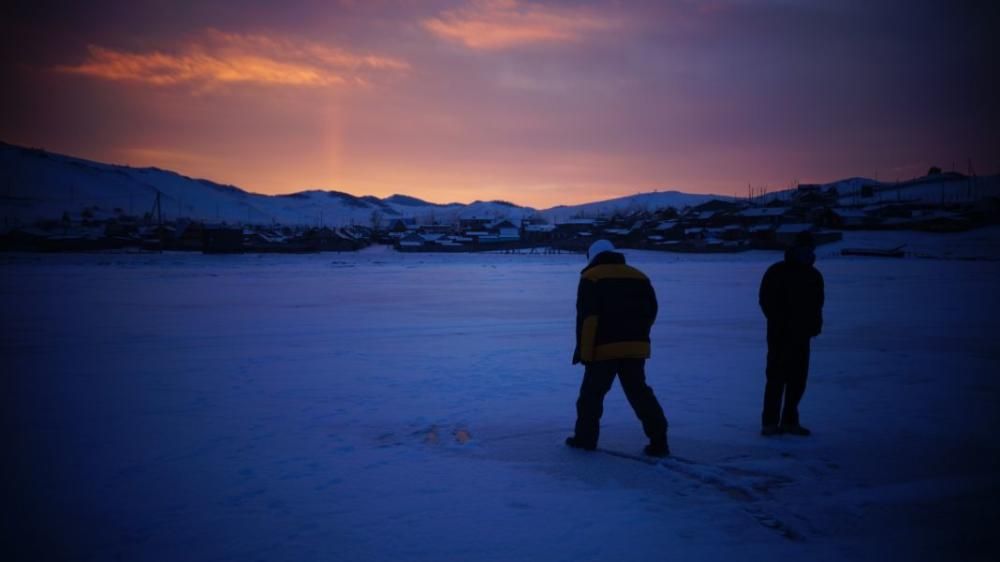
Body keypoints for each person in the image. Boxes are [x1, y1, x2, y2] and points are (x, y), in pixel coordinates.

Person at [565, 239, 669, 457]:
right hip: (635, 347)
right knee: (640, 394)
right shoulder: (640, 276)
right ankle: (659, 440)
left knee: (591, 397)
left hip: (603, 350)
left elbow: (588, 319)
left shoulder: (591, 277)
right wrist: (639, 336)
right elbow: (651, 312)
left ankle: (585, 439)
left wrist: (585, 353)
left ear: (592, 257)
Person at [758, 232, 825, 436]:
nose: (807, 253)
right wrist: (781, 321)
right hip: (779, 335)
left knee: (798, 380)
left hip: (802, 336)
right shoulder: (777, 271)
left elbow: (817, 304)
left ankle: (790, 421)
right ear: (794, 250)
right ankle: (770, 423)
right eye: (803, 249)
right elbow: (766, 300)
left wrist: (814, 325)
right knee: (776, 378)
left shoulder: (814, 275)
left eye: (810, 250)